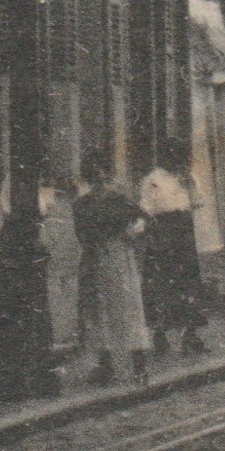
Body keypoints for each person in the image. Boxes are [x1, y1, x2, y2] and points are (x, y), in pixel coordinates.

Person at [73, 150, 153, 385]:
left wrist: (130, 233)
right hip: (94, 259)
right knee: (99, 312)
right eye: (93, 171)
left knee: (127, 309)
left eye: (102, 170)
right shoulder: (82, 204)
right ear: (88, 175)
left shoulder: (119, 199)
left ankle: (139, 365)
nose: (98, 176)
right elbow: (81, 234)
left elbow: (143, 219)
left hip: (119, 258)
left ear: (107, 173)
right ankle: (106, 365)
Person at [139, 166, 208, 356]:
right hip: (163, 233)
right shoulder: (153, 179)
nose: (175, 161)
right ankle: (160, 335)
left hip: (184, 231)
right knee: (162, 285)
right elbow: (146, 208)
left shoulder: (187, 175)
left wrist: (191, 185)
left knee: (188, 284)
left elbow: (199, 202)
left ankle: (190, 336)